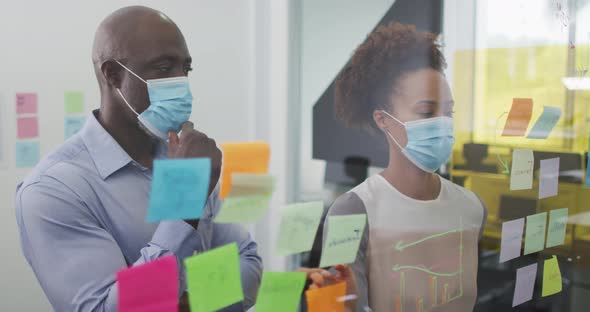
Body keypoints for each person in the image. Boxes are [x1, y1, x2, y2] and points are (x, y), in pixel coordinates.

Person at [15, 6, 261, 312]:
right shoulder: (54, 189)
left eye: (185, 68)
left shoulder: (180, 158)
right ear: (113, 75)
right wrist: (186, 201)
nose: (180, 81)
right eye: (163, 68)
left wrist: (185, 303)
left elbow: (248, 265)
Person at [301, 23, 487, 311]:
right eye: (426, 112)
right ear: (383, 119)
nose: (442, 123)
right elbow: (342, 306)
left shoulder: (472, 207)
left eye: (448, 111)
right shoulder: (352, 211)